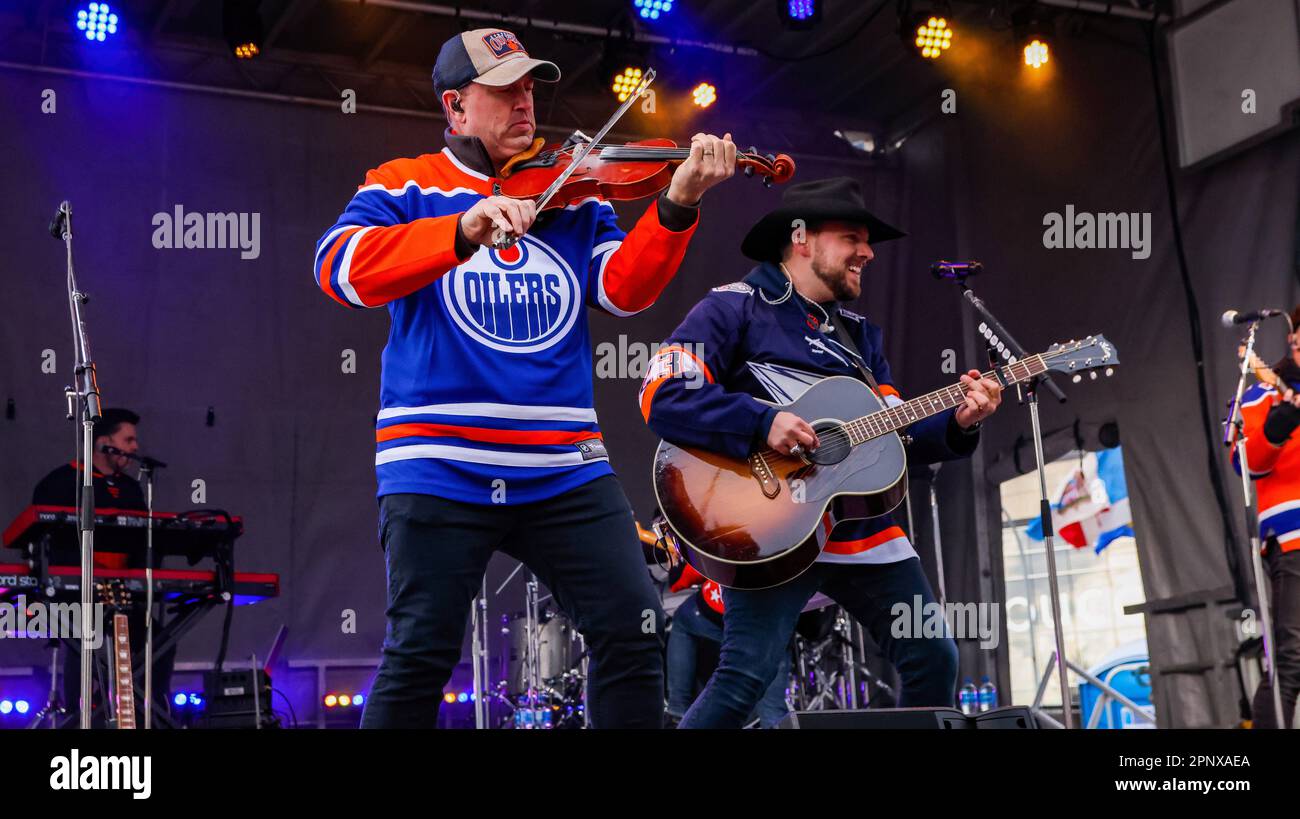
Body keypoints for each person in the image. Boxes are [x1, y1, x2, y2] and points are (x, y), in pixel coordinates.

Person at [313, 27, 736, 728]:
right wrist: (461, 228)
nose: (525, 103)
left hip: (564, 465)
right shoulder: (403, 181)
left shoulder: (573, 192)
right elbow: (340, 269)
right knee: (420, 651)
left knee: (634, 629)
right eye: (503, 90)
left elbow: (623, 290)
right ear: (455, 107)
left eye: (530, 87)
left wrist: (677, 203)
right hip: (439, 461)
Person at [640, 177, 1003, 728]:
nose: (867, 253)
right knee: (742, 683)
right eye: (853, 237)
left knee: (934, 657)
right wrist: (761, 422)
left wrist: (958, 421)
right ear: (801, 237)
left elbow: (894, 431)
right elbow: (660, 393)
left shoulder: (860, 336)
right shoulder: (732, 308)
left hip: (860, 527)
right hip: (767, 526)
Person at [31, 407, 175, 725]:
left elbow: (143, 541)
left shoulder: (132, 489)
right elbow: (39, 539)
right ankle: (80, 718)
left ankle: (147, 713)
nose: (135, 448)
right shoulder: (61, 482)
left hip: (124, 595)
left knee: (160, 638)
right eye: (129, 439)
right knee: (82, 640)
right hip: (77, 594)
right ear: (105, 442)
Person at [1232, 307, 1300, 728]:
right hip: (1292, 537)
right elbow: (1244, 463)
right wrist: (1276, 428)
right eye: (1296, 344)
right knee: (1292, 657)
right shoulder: (1261, 395)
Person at [666, 561, 790, 727]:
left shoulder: (725, 541)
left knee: (682, 620)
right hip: (769, 622)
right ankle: (773, 720)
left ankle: (676, 710)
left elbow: (678, 582)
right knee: (773, 711)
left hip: (716, 614)